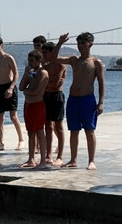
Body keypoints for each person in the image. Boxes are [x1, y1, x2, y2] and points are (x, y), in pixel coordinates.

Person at [58, 32, 104, 170]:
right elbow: (53, 59)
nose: (80, 46)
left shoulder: (96, 62)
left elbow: (101, 83)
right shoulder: (74, 60)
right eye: (78, 43)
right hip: (73, 99)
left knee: (89, 130)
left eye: (83, 43)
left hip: (87, 99)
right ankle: (73, 160)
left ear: (90, 44)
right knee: (74, 130)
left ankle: (91, 161)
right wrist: (60, 43)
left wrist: (101, 102)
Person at [18, 42, 50, 167]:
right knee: (30, 132)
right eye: (28, 60)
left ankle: (43, 161)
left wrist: (26, 91)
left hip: (37, 105)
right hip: (28, 105)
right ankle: (31, 159)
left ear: (38, 60)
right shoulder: (30, 71)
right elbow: (21, 87)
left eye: (32, 61)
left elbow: (35, 91)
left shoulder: (42, 73)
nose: (30, 63)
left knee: (39, 131)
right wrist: (26, 73)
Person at [41, 33, 69, 166]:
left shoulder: (60, 65)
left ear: (52, 53)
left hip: (56, 96)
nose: (43, 55)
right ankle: (48, 154)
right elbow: (44, 82)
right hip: (46, 96)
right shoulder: (45, 66)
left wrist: (46, 83)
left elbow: (55, 84)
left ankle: (60, 156)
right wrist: (47, 83)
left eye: (45, 53)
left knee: (58, 126)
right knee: (47, 125)